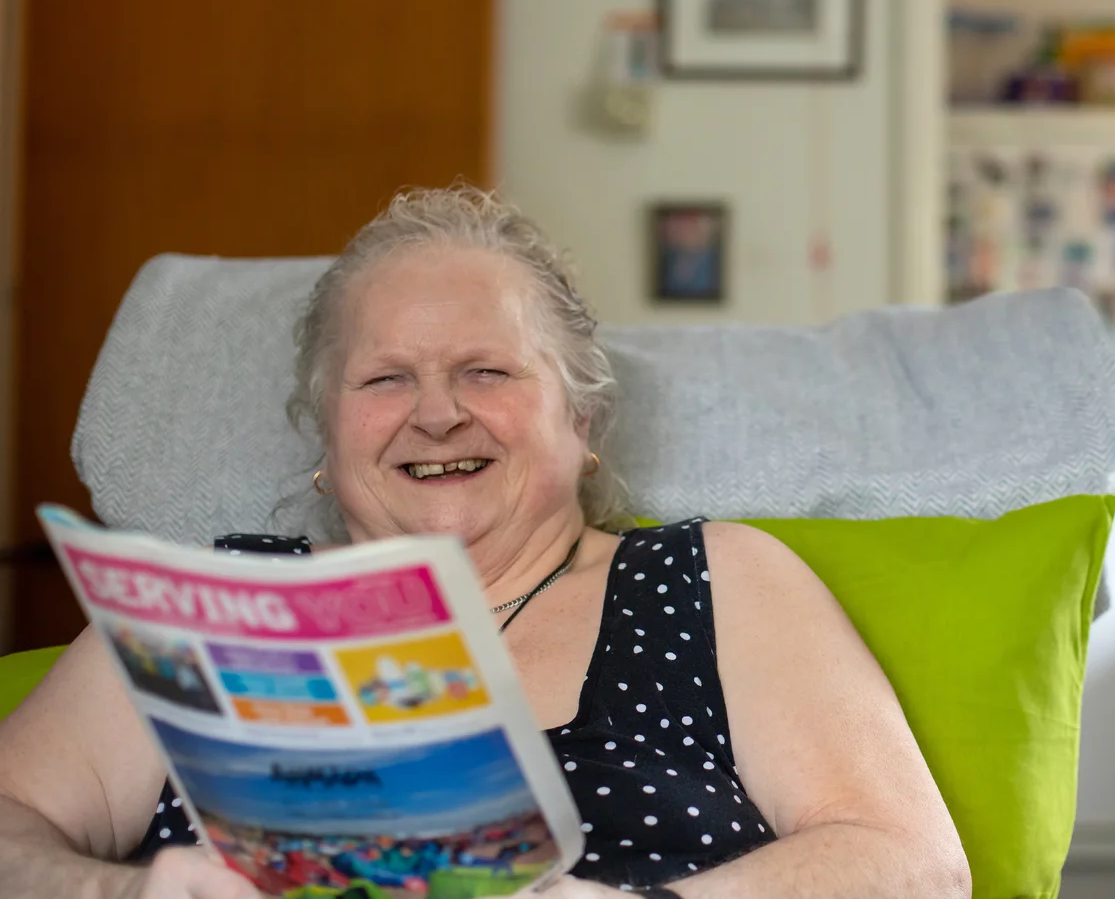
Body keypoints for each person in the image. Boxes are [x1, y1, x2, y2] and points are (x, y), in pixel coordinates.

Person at [0, 186, 972, 899]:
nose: (435, 415)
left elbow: (912, 861)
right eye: (385, 379)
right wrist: (126, 892)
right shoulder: (213, 607)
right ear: (328, 438)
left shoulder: (714, 580)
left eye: (486, 371)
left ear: (581, 422)